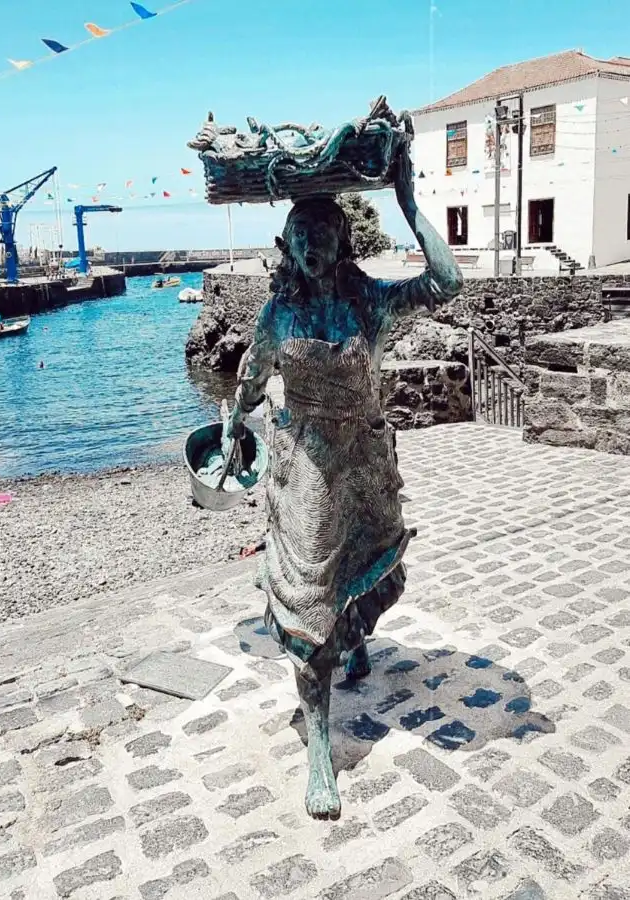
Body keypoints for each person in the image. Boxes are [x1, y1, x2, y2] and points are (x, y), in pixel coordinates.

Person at [226, 147, 463, 819]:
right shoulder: (278, 315)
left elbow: (447, 281)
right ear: (287, 245)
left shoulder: (372, 304)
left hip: (364, 461)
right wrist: (232, 424)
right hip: (305, 465)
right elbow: (251, 378)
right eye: (300, 235)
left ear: (341, 241)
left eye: (322, 233)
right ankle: (320, 752)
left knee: (370, 564)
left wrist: (408, 202)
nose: (311, 246)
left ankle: (353, 641)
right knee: (309, 599)